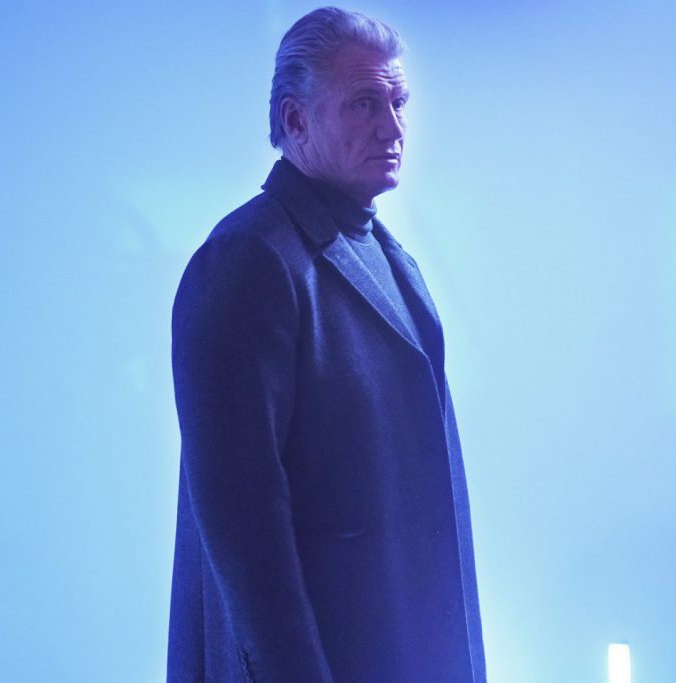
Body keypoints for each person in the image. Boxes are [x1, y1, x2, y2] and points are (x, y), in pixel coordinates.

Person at [166, 7, 485, 682]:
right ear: (295, 120)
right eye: (365, 102)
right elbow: (242, 528)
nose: (392, 126)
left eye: (399, 102)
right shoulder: (247, 259)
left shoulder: (389, 257)